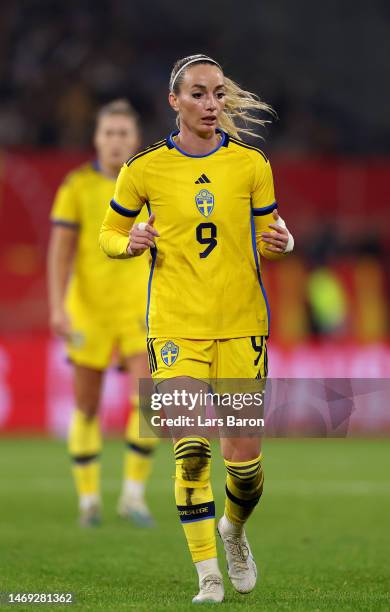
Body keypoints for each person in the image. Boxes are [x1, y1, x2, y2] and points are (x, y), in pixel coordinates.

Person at [99, 56, 294, 603]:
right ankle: (208, 574)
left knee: (246, 469)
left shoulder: (251, 165)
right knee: (190, 451)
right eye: (200, 95)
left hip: (241, 327)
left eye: (217, 95)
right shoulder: (143, 169)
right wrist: (129, 242)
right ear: (175, 102)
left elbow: (272, 236)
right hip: (174, 325)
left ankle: (233, 530)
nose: (211, 104)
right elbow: (108, 234)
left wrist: (286, 244)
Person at [48, 99, 158, 528]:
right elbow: (60, 253)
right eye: (108, 133)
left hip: (140, 310)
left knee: (150, 403)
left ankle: (133, 496)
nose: (115, 141)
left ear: (134, 140)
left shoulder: (149, 184)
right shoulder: (76, 186)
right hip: (88, 312)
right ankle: (89, 500)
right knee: (87, 406)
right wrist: (58, 306)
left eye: (123, 134)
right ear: (97, 139)